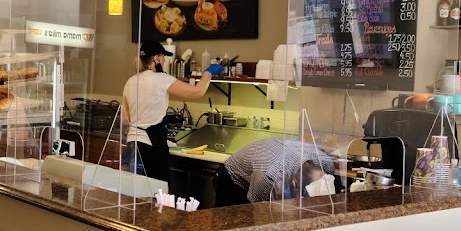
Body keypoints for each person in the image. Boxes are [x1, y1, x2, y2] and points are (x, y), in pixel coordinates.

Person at [122, 40, 216, 182]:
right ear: (156, 58)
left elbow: (124, 119)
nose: (165, 60)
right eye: (163, 56)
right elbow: (197, 92)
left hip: (132, 146)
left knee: (134, 191)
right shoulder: (162, 79)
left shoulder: (130, 81)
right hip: (151, 147)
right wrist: (208, 73)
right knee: (158, 192)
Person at [214, 138, 340, 206]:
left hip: (277, 154)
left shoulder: (326, 163)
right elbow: (258, 211)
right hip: (232, 178)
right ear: (294, 183)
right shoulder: (268, 176)